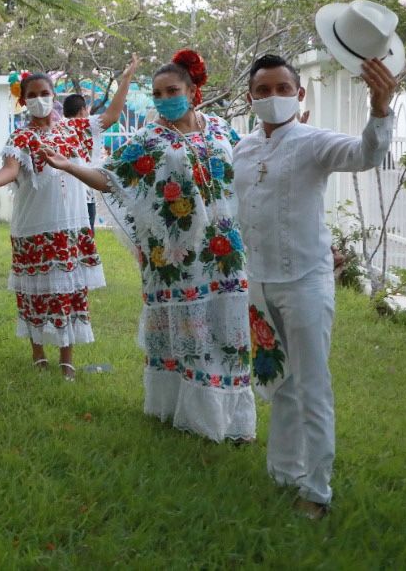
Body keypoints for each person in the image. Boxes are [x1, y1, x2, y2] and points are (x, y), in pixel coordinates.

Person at [42, 50, 256, 442]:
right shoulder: (149, 139)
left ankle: (233, 420)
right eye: (157, 94)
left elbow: (251, 167)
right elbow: (111, 179)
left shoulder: (221, 129)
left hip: (226, 250)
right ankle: (188, 414)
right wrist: (70, 166)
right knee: (191, 333)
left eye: (172, 91)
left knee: (227, 328)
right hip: (176, 256)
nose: (164, 99)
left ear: (191, 91)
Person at [234, 51, 398, 519]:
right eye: (263, 90)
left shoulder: (312, 142)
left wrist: (380, 109)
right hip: (259, 283)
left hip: (305, 282)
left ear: (299, 93)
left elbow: (366, 154)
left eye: (282, 88)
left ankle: (317, 490)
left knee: (311, 386)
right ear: (250, 97)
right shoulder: (243, 149)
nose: (273, 97)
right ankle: (284, 471)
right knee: (278, 380)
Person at [0, 58, 137, 380]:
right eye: (32, 95)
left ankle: (67, 359)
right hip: (33, 228)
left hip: (70, 226)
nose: (39, 99)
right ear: (23, 101)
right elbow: (10, 170)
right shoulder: (20, 138)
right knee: (35, 293)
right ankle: (38, 354)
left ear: (54, 95)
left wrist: (126, 79)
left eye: (44, 93)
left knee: (69, 292)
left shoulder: (74, 129)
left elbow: (112, 117)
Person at [61, 92, 98, 230]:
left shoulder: (58, 129)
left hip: (64, 191)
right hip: (85, 191)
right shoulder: (85, 126)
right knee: (86, 233)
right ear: (82, 110)